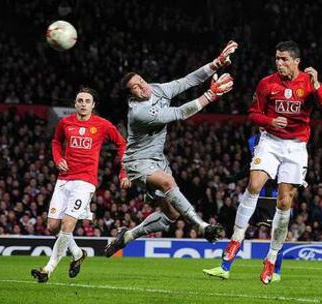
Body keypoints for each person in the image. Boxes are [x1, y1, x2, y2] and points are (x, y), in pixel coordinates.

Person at [208, 40, 322, 285]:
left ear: (296, 61)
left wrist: (318, 86)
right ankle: (235, 241)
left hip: (296, 147)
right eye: (277, 58)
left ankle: (271, 259)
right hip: (270, 141)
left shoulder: (309, 83)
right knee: (254, 184)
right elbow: (253, 113)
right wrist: (269, 121)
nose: (279, 63)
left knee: (284, 201)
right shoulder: (267, 83)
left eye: (284, 59)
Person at [104, 41, 238, 257]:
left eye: (141, 81)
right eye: (136, 87)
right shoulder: (139, 113)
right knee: (168, 183)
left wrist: (216, 63)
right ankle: (203, 227)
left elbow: (187, 81)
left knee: (171, 215)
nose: (143, 86)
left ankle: (127, 236)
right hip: (137, 161)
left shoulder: (156, 89)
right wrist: (210, 95)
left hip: (158, 159)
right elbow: (179, 113)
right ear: (131, 95)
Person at [31, 87, 130, 283]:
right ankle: (77, 254)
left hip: (85, 181)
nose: (83, 104)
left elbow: (122, 144)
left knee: (68, 224)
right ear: (75, 104)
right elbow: (56, 142)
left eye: (87, 101)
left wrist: (124, 172)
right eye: (80, 100)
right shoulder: (65, 123)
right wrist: (58, 158)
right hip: (64, 179)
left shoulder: (102, 125)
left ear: (93, 105)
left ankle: (47, 270)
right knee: (52, 226)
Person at [203, 133, 285, 281]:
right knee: (239, 229)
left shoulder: (282, 139)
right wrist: (234, 177)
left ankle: (276, 272)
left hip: (271, 198)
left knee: (276, 234)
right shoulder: (253, 139)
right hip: (253, 197)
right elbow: (252, 164)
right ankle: (224, 268)